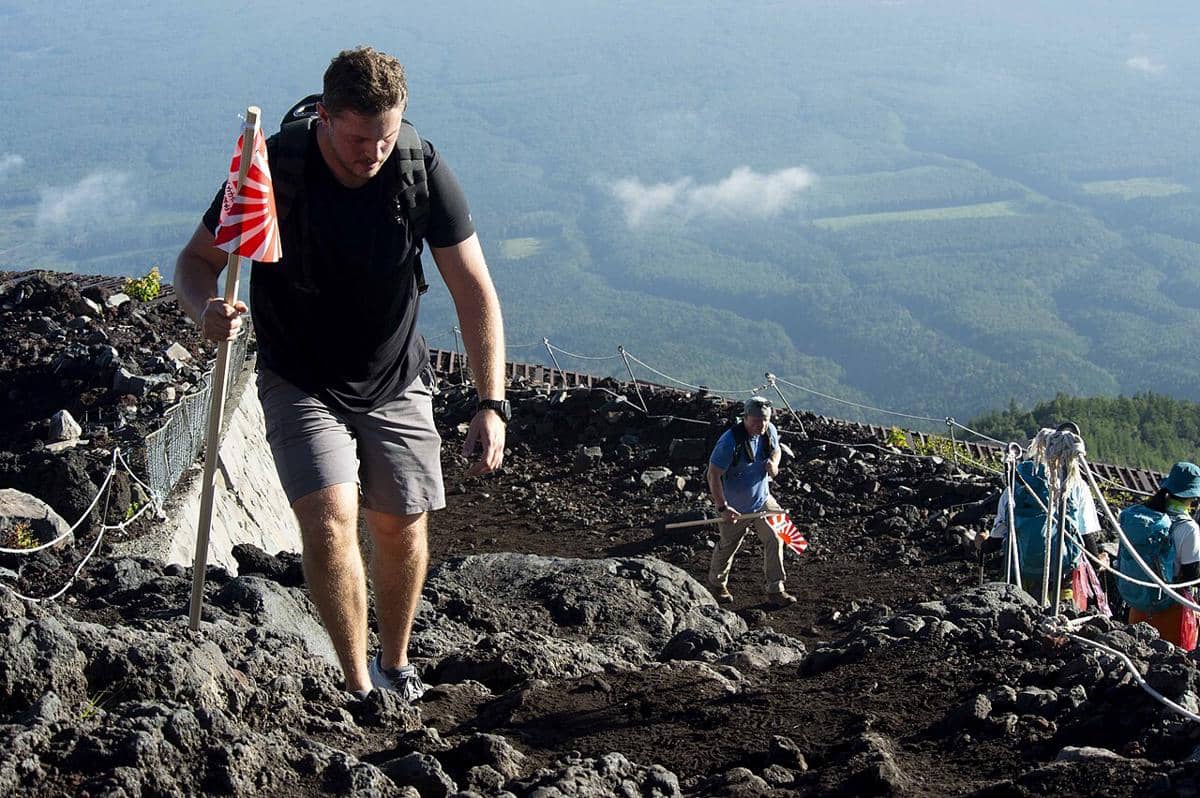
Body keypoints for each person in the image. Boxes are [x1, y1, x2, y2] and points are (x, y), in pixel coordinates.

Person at [174, 47, 507, 699]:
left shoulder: (419, 167)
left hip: (395, 374)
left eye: (386, 136)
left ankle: (396, 664)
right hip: (300, 376)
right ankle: (358, 688)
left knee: (401, 524)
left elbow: (474, 292)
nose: (373, 153)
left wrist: (491, 403)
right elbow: (195, 262)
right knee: (329, 519)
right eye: (359, 139)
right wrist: (204, 309)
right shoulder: (275, 168)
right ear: (325, 117)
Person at [976, 426, 1106, 603]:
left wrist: (982, 543)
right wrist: (1099, 562)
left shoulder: (1017, 485)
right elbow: (1085, 537)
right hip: (1062, 576)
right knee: (1062, 615)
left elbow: (996, 540)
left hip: (1020, 576)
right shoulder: (1076, 486)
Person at [706, 396, 796, 609]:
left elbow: (776, 450)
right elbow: (713, 474)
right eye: (756, 421)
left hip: (762, 499)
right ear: (744, 418)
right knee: (729, 544)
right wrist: (722, 507)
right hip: (734, 506)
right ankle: (716, 585)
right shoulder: (729, 442)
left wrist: (774, 464)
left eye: (765, 420)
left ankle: (776, 589)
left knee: (776, 537)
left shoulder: (768, 431)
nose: (761, 425)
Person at [1116, 461, 1200, 650]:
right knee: (1169, 661)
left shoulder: (1142, 518)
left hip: (1138, 603)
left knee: (1136, 653)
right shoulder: (1189, 528)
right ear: (1193, 496)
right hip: (1171, 609)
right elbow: (1192, 576)